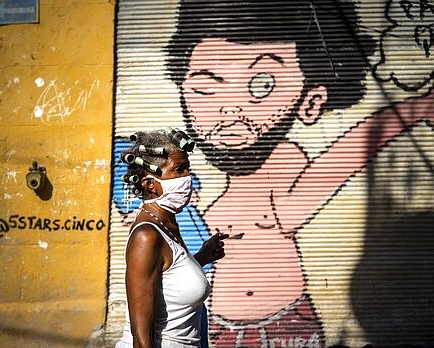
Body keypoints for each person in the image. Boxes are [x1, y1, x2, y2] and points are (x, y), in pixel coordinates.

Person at [165, 0, 434, 347]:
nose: (229, 108)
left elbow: (333, 167)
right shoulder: (201, 192)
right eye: (205, 87)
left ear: (310, 102)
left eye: (262, 84)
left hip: (281, 329)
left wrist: (410, 111)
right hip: (217, 326)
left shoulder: (285, 166)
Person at [115, 128, 228, 348]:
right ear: (149, 184)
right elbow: (141, 336)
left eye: (188, 169)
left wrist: (201, 258)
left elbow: (169, 279)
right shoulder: (146, 236)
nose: (188, 178)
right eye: (179, 170)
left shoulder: (167, 225)